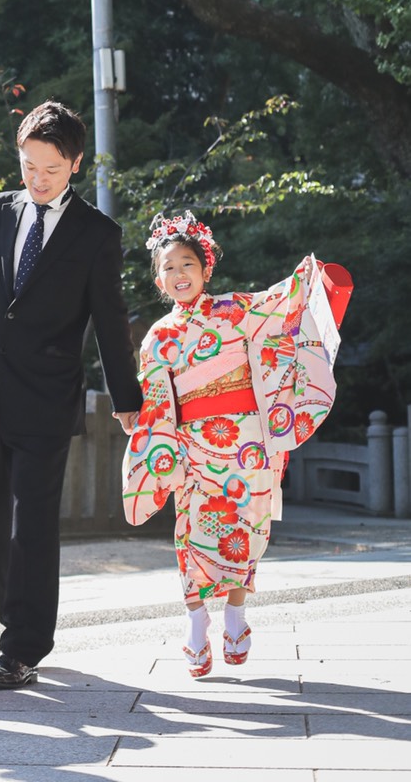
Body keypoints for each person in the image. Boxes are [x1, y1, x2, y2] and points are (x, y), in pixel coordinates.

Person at [0, 99, 143, 689]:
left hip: (47, 396)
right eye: (29, 166)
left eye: (51, 169)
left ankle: (23, 647)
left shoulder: (96, 234)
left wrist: (127, 398)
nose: (37, 180)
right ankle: (14, 624)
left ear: (76, 164)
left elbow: (111, 322)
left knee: (30, 523)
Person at [123, 211, 352, 678]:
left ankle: (235, 616)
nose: (178, 274)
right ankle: (195, 622)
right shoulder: (157, 338)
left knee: (245, 531)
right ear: (158, 279)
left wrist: (308, 279)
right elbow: (154, 401)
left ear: (206, 269)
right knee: (189, 534)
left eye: (187, 264)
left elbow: (283, 305)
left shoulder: (237, 308)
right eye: (168, 267)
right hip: (190, 446)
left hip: (247, 443)